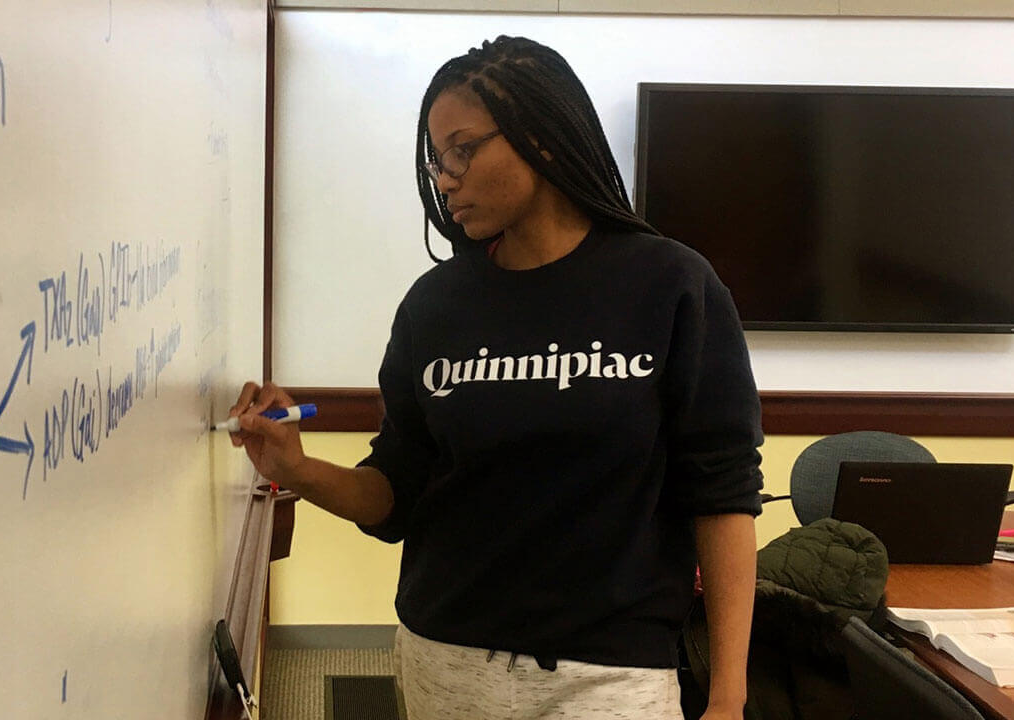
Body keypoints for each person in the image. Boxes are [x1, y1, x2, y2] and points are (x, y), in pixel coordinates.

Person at [229, 35, 763, 720]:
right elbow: (396, 497)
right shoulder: (437, 306)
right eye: (435, 157)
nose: (443, 176)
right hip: (443, 662)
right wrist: (296, 469)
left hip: (609, 679)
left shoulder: (671, 286)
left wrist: (728, 696)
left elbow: (722, 497)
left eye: (461, 149)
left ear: (539, 139)